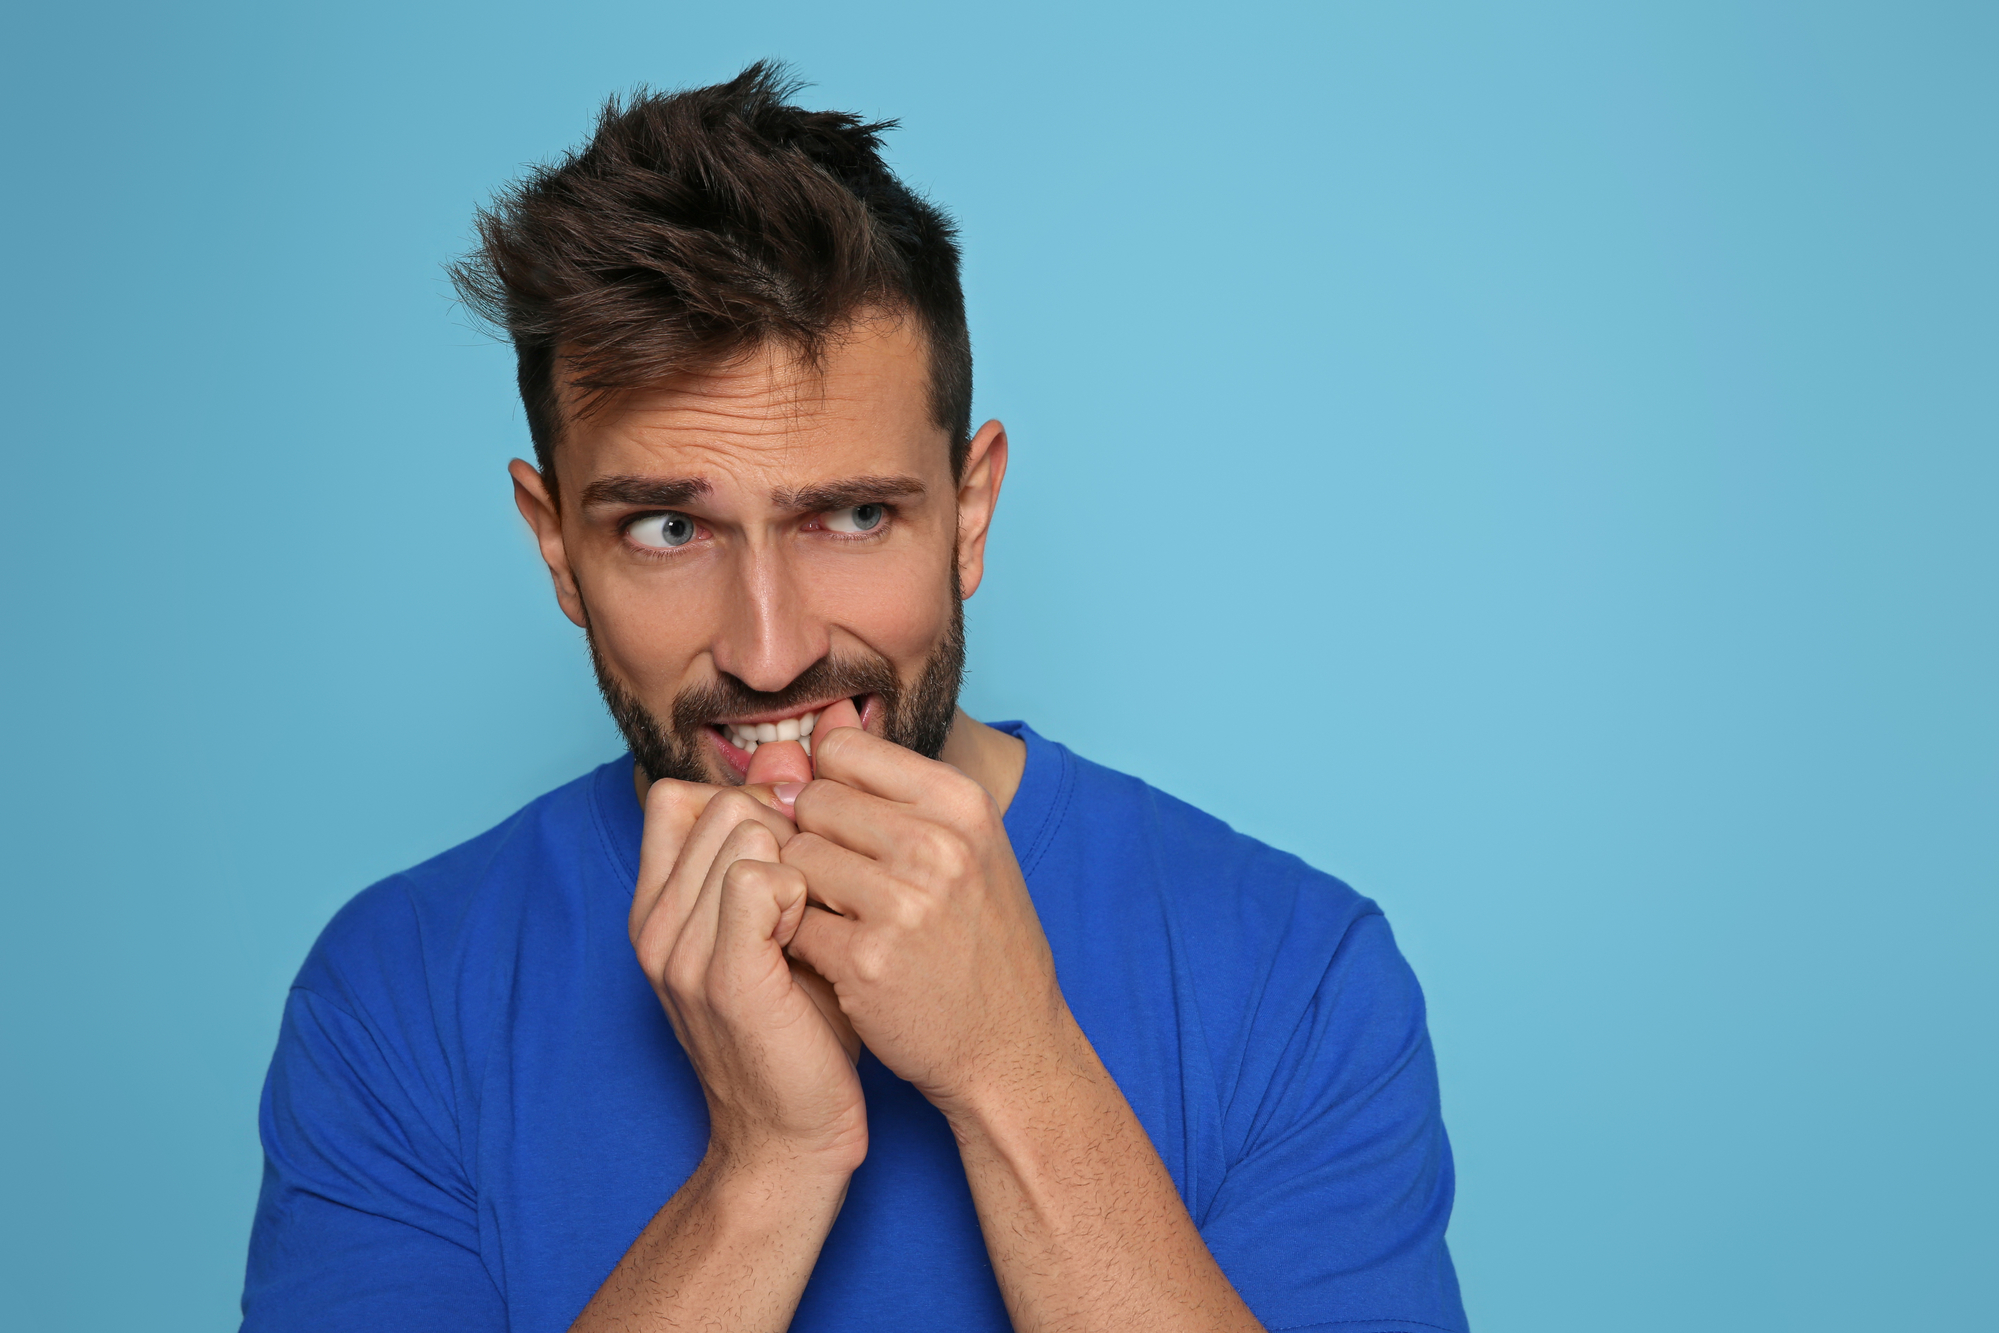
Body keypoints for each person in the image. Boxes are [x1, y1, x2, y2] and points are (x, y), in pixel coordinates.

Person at [240, 63, 1468, 1333]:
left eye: (853, 515)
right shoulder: (396, 1000)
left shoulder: (1296, 974)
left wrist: (1021, 1073)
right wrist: (764, 1168)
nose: (769, 653)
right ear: (555, 545)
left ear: (970, 509)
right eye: (669, 526)